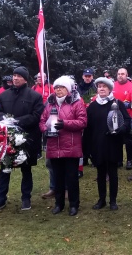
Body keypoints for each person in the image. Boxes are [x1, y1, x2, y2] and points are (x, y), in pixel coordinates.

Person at [0, 66, 45, 212]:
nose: (15, 78)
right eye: (14, 75)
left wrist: (16, 121)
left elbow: (36, 115)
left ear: (25, 79)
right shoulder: (4, 95)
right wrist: (3, 119)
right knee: (4, 169)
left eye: (19, 76)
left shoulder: (34, 96)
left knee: (26, 170)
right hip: (6, 138)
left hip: (25, 138)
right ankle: (0, 199)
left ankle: (26, 198)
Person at [39, 76, 87, 216]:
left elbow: (83, 121)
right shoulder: (49, 104)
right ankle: (58, 204)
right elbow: (42, 120)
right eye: (56, 88)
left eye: (62, 87)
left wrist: (65, 124)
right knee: (58, 177)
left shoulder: (76, 103)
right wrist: (45, 129)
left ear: (68, 89)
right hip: (54, 146)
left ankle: (74, 204)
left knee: (71, 178)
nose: (58, 90)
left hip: (70, 146)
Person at [84, 77, 131, 211]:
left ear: (110, 89)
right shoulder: (93, 106)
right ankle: (101, 199)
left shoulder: (117, 103)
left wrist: (122, 128)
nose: (102, 89)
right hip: (98, 144)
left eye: (104, 86)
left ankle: (113, 201)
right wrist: (87, 149)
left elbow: (127, 120)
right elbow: (88, 128)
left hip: (113, 144)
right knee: (100, 174)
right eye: (99, 86)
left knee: (113, 173)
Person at [113, 68, 132, 170]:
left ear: (127, 75)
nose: (120, 76)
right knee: (116, 139)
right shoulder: (112, 85)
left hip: (127, 117)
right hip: (114, 117)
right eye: (118, 74)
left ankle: (129, 160)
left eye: (122, 74)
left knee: (128, 141)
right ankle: (118, 160)